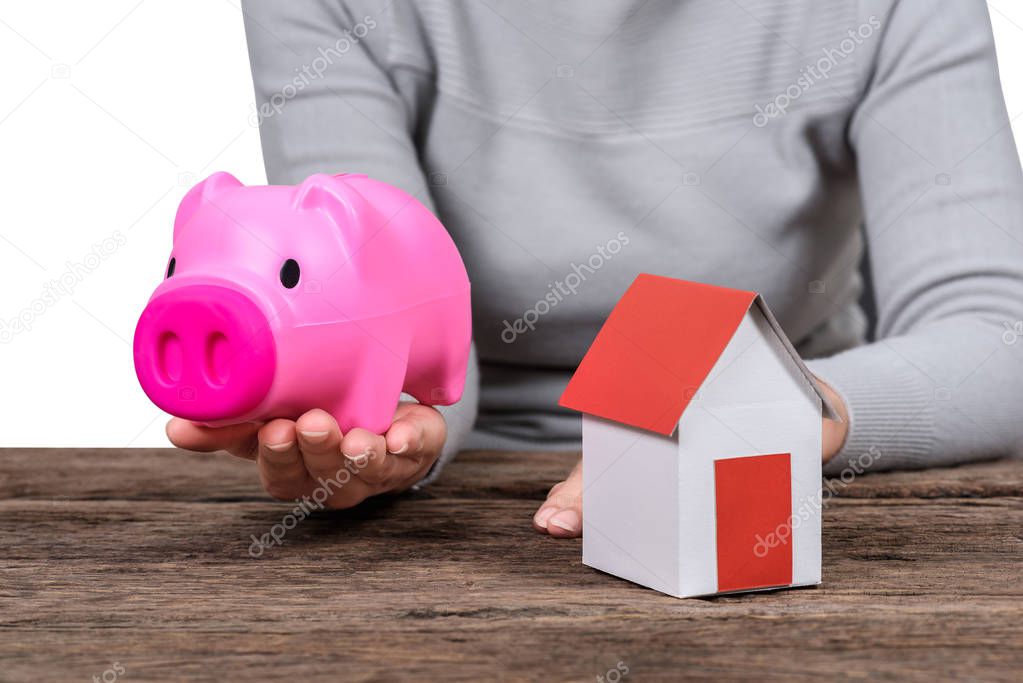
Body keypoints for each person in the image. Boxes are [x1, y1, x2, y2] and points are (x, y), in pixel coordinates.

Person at [169, 0, 1023, 538]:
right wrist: (388, 427)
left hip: (798, 467)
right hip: (460, 500)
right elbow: (390, 304)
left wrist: (782, 410)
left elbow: (999, 336)